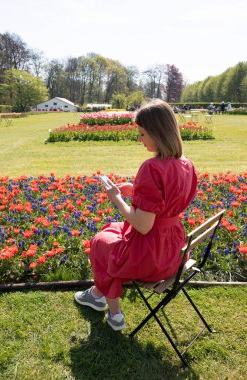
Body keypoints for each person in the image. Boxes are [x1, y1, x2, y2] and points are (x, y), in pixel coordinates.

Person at [74, 99, 198, 331]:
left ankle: (112, 311)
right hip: (174, 250)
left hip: (152, 258)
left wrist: (117, 198)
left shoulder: (151, 167)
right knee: (112, 230)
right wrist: (135, 188)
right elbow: (167, 198)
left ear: (157, 132)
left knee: (101, 243)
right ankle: (98, 296)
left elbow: (143, 225)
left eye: (142, 134)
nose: (139, 139)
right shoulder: (186, 163)